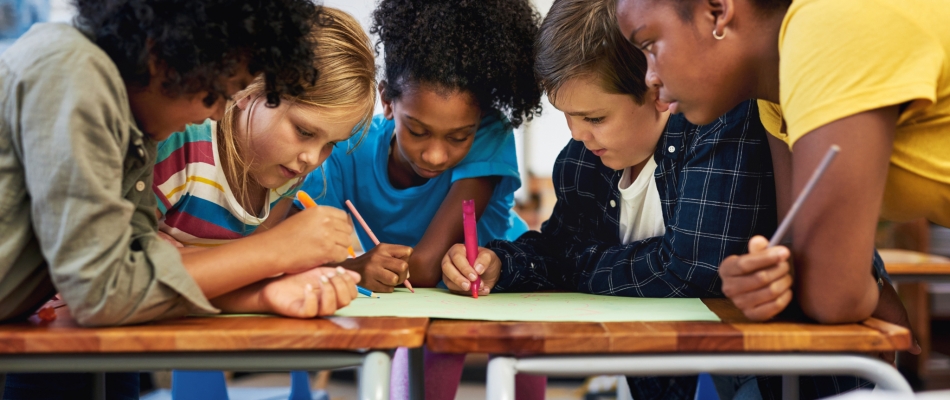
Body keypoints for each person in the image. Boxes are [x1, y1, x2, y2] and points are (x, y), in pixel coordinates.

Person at [0, 0, 355, 397]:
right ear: (165, 55)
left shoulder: (132, 119)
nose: (218, 113)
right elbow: (102, 290)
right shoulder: (72, 75)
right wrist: (275, 250)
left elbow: (136, 270)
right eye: (218, 92)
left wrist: (263, 294)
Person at [441, 0, 775, 398]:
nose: (578, 134)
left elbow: (691, 268)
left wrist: (576, 265)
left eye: (595, 118)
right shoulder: (582, 161)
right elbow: (557, 249)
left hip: (762, 372)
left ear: (656, 87)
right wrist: (500, 263)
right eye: (566, 116)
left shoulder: (718, 123)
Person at [614, 0, 933, 397]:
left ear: (717, 11)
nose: (650, 77)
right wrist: (766, 281)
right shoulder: (773, 100)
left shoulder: (832, 24)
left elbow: (834, 296)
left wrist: (846, 285)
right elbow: (799, 252)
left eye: (649, 46)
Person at [295, 0, 543, 398]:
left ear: (477, 126)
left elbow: (427, 266)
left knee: (519, 364)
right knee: (417, 360)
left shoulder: (491, 134)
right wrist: (351, 266)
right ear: (387, 102)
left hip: (502, 286)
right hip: (418, 298)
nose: (436, 155)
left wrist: (354, 269)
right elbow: (308, 258)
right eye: (418, 130)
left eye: (459, 137)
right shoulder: (344, 148)